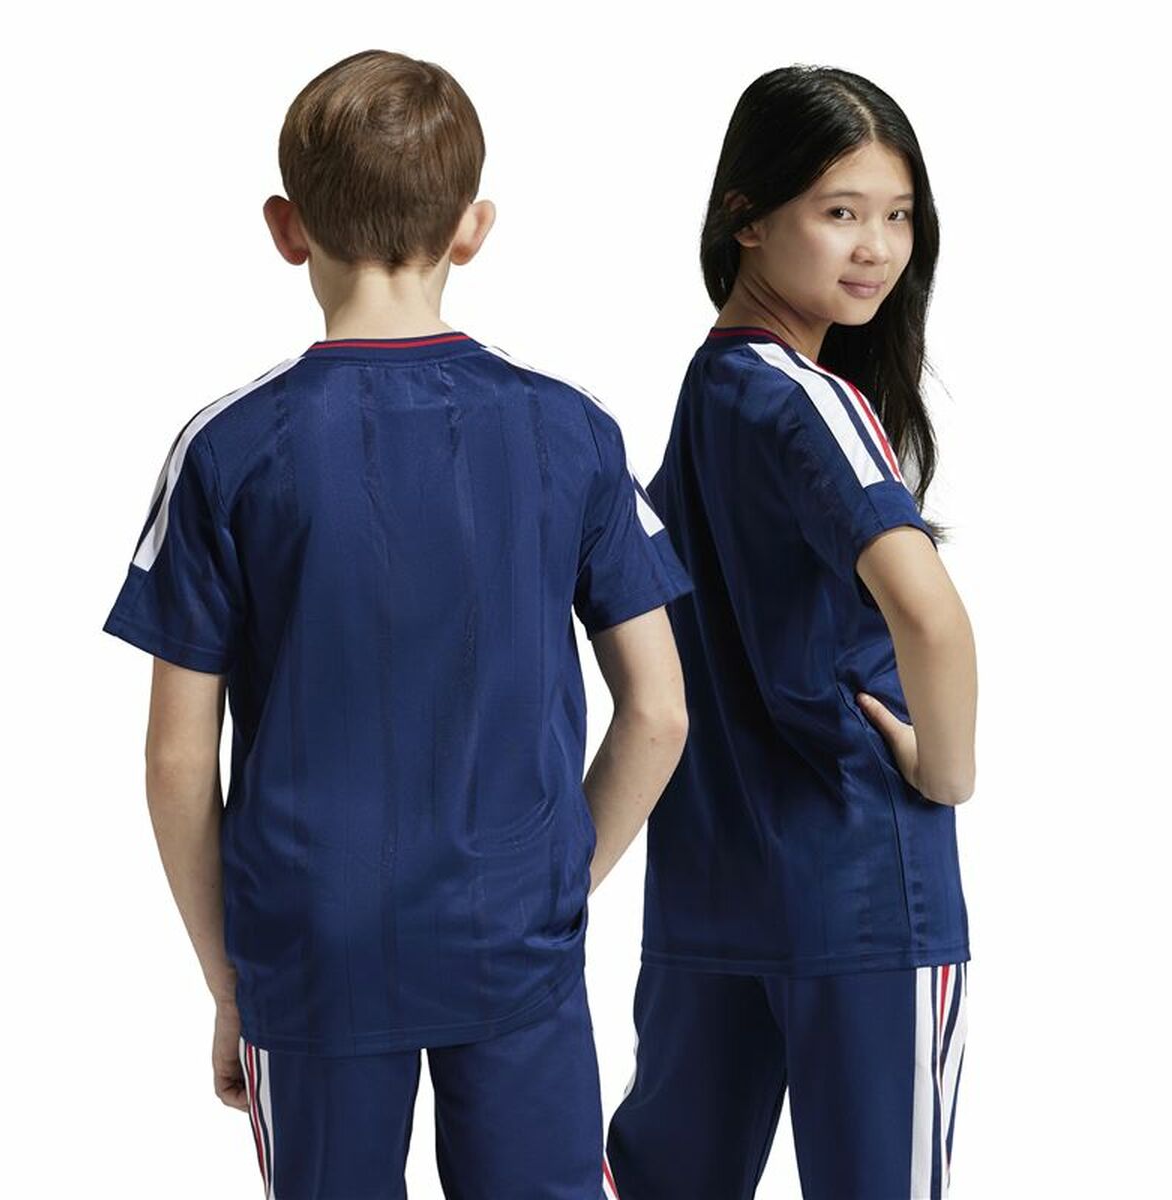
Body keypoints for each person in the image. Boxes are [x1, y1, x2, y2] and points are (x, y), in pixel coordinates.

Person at [102, 49, 692, 1200]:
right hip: (511, 927)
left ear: (286, 228)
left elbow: (176, 757)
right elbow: (660, 713)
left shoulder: (227, 449)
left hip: (311, 943)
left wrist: (230, 981)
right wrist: (558, 884)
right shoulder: (572, 431)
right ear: (473, 229)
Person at [602, 65, 977, 1200]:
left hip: (710, 883)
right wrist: (947, 772)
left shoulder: (706, 394)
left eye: (898, 216)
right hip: (860, 889)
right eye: (840, 211)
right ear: (747, 218)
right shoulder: (804, 397)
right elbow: (932, 614)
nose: (877, 248)